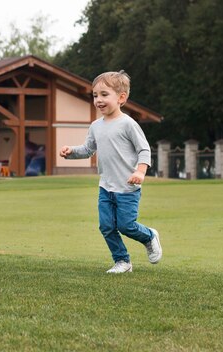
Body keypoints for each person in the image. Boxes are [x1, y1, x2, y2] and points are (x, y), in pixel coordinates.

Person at [59, 70, 162, 274]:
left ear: (121, 97)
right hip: (106, 187)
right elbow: (88, 149)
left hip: (128, 187)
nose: (98, 100)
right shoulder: (96, 126)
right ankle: (122, 261)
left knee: (126, 226)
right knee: (106, 226)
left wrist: (140, 172)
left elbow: (144, 149)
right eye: (95, 95)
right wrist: (71, 151)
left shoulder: (128, 124)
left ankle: (149, 236)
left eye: (104, 94)